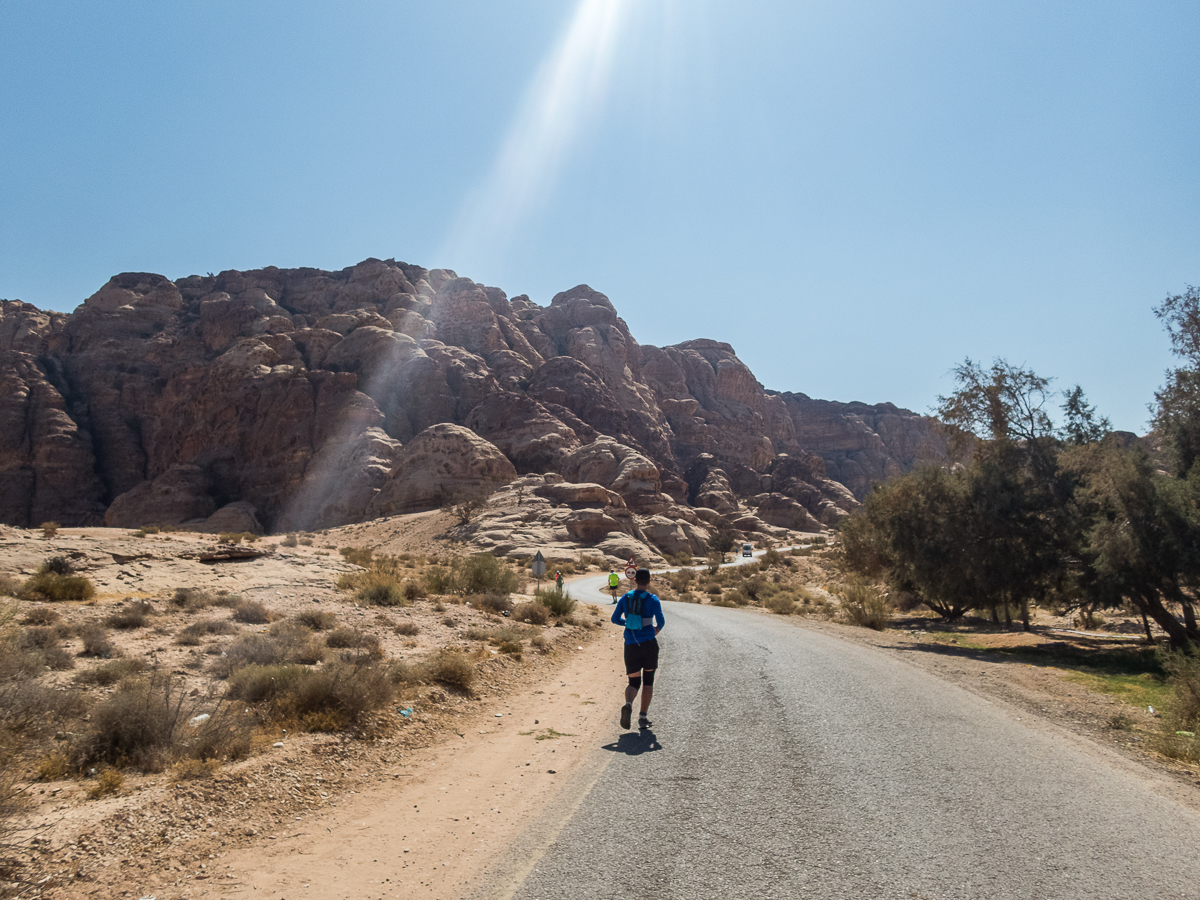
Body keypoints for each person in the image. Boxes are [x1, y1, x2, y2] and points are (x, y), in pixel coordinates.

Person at [611, 568, 665, 730]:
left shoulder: (625, 598)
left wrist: (627, 623)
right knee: (648, 681)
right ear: (648, 581)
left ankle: (628, 704)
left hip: (631, 645)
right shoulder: (652, 599)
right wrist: (655, 629)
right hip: (648, 644)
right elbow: (661, 621)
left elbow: (615, 619)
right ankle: (643, 717)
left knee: (633, 681)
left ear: (635, 580)